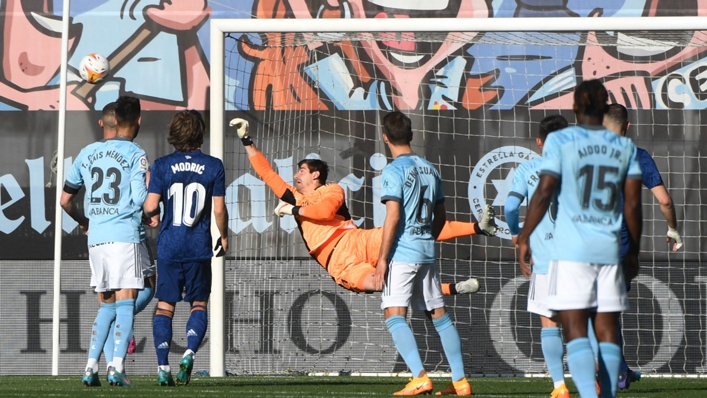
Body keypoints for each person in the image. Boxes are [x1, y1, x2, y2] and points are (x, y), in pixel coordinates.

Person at [230, 117, 497, 296]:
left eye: (302, 170)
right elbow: (266, 173)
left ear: (316, 176)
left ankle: (478, 228)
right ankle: (450, 289)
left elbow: (323, 214)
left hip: (356, 240)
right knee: (378, 284)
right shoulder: (293, 197)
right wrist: (247, 141)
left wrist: (293, 211)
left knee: (414, 228)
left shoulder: (331, 190)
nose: (296, 175)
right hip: (337, 261)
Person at [517, 79, 643, 398]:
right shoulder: (624, 147)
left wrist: (524, 236)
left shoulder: (561, 141)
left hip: (571, 250)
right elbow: (632, 204)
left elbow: (544, 191)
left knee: (574, 328)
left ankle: (588, 394)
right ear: (605, 107)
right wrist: (633, 252)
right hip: (608, 247)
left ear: (574, 106)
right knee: (606, 329)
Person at [373, 111, 469, 396]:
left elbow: (392, 216)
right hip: (427, 250)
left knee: (394, 313)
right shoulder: (430, 167)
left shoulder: (393, 170)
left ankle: (419, 376)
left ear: (385, 137)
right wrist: (427, 237)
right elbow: (441, 215)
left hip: (403, 252)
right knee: (439, 315)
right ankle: (461, 381)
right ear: (411, 135)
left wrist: (381, 259)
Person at [61, 95, 149, 387]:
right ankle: (117, 368)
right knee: (126, 304)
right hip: (124, 236)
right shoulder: (137, 154)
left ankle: (90, 368)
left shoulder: (87, 152)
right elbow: (139, 198)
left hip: (96, 239)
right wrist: (152, 210)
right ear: (137, 121)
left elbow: (65, 201)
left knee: (106, 306)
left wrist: (85, 222)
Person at [143, 110, 229, 387]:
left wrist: (151, 214)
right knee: (199, 304)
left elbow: (150, 207)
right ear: (200, 133)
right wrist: (224, 235)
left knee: (165, 306)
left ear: (174, 134)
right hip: (198, 246)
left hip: (169, 246)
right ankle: (190, 353)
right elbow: (218, 209)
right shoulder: (214, 165)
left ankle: (162, 367)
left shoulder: (162, 165)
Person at [602, 103, 683, 390]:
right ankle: (614, 372)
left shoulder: (585, 156)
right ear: (628, 127)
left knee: (590, 310)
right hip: (620, 244)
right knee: (608, 310)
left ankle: (615, 369)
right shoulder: (638, 156)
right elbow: (665, 201)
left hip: (583, 241)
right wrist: (673, 229)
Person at [505, 114, 570, 398]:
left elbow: (509, 207)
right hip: (583, 257)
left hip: (546, 257)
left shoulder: (528, 169)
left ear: (539, 142)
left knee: (549, 321)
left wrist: (517, 234)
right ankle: (596, 377)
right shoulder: (583, 169)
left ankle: (560, 386)